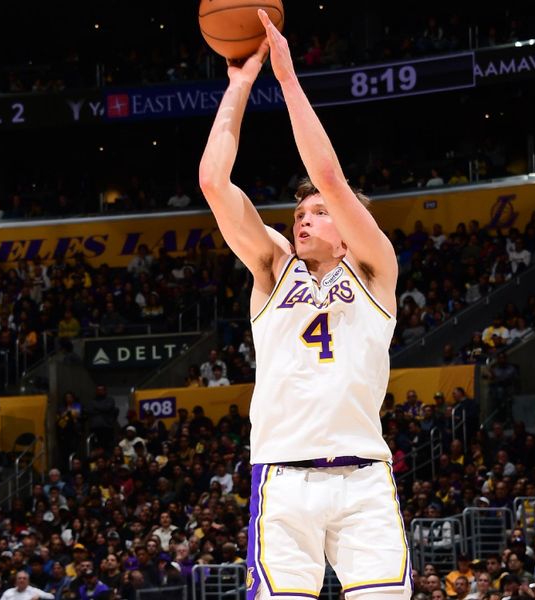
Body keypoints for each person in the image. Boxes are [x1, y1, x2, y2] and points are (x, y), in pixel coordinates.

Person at [199, 11, 408, 600]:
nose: (304, 216)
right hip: (283, 476)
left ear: (346, 229)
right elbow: (214, 183)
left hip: (364, 475)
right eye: (300, 212)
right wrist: (240, 85)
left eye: (318, 212)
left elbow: (329, 176)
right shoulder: (272, 267)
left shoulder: (374, 268)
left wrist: (288, 80)